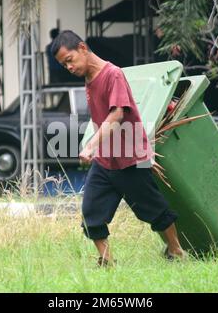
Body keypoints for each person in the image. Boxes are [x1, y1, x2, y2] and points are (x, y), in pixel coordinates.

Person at [51, 30, 187, 267]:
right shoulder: (89, 79)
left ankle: (176, 252)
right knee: (91, 211)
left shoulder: (112, 75)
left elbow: (117, 114)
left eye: (69, 60)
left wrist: (92, 145)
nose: (69, 68)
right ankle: (107, 262)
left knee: (153, 209)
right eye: (64, 65)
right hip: (106, 160)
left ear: (82, 48)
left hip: (130, 158)